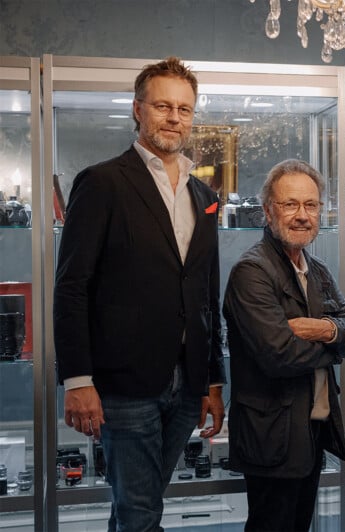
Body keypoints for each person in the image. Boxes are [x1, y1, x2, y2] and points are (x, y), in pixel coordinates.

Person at [53, 57, 226, 531]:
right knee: (142, 511)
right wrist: (77, 380)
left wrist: (213, 379)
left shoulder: (203, 194)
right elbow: (70, 288)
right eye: (163, 106)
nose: (175, 117)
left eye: (185, 109)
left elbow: (206, 292)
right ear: (137, 109)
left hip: (187, 384)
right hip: (122, 385)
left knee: (136, 507)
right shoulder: (103, 181)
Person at [223, 159, 345, 532]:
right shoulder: (251, 272)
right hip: (272, 434)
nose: (302, 215)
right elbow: (278, 355)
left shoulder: (315, 269)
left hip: (310, 430)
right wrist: (336, 340)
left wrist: (319, 329)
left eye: (311, 205)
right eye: (290, 205)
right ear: (269, 211)